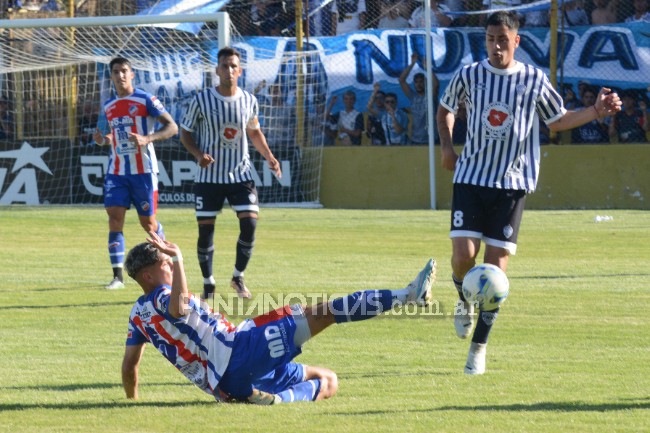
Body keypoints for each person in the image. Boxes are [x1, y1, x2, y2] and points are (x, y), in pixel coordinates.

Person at [436, 11, 621, 374]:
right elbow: (445, 109)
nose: (496, 46)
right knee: (462, 257)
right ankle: (464, 300)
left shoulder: (533, 79)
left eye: (503, 39)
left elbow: (558, 120)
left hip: (512, 184)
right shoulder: (469, 75)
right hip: (471, 177)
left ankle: (478, 350)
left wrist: (596, 112)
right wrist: (447, 148)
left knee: (496, 272)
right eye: (490, 39)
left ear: (516, 41)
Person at [121, 232, 436, 404]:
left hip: (227, 383)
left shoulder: (138, 314)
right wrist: (178, 259)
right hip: (239, 353)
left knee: (328, 380)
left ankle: (268, 400)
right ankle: (408, 295)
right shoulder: (161, 295)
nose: (170, 266)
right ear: (148, 275)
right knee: (327, 312)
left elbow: (129, 367)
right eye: (164, 263)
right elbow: (176, 306)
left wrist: (133, 404)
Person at [180, 47, 281, 300]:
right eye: (224, 66)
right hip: (209, 177)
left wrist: (269, 156)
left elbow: (254, 131)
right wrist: (198, 155)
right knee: (206, 231)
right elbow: (185, 133)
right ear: (217, 70)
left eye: (233, 66)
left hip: (241, 175)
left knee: (249, 224)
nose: (229, 70)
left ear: (240, 70)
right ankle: (208, 283)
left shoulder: (249, 100)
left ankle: (237, 277)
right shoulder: (201, 100)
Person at [92, 57, 178, 290]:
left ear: (132, 75)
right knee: (114, 218)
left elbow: (172, 127)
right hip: (117, 171)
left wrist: (147, 138)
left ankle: (166, 258)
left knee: (148, 224)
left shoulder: (145, 100)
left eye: (124, 71)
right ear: (111, 76)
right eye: (116, 72)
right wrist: (103, 140)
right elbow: (108, 136)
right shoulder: (108, 106)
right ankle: (118, 277)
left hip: (144, 171)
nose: (120, 75)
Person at [399, 52, 439, 145]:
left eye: (421, 82)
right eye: (416, 82)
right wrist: (412, 63)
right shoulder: (412, 96)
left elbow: (436, 84)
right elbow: (401, 80)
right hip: (416, 138)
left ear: (426, 83)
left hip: (431, 139)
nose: (419, 84)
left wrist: (427, 68)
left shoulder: (431, 96)